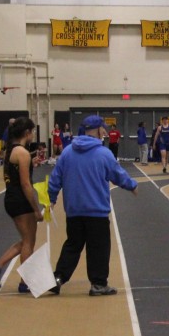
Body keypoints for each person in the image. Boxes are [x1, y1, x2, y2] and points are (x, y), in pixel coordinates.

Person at [48, 115, 138, 296]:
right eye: (103, 128)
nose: (105, 132)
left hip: (74, 210)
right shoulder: (104, 153)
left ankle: (58, 278)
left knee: (72, 245)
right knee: (99, 248)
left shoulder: (67, 152)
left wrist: (52, 197)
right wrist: (132, 185)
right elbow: (117, 174)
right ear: (97, 130)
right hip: (97, 211)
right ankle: (98, 284)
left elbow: (55, 177)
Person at [0, 118, 43, 294]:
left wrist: (32, 163)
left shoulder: (11, 149)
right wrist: (36, 209)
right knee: (29, 242)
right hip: (21, 200)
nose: (33, 135)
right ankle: (23, 281)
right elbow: (26, 184)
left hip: (11, 197)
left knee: (27, 240)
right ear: (27, 133)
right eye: (32, 132)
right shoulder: (23, 153)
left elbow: (15, 172)